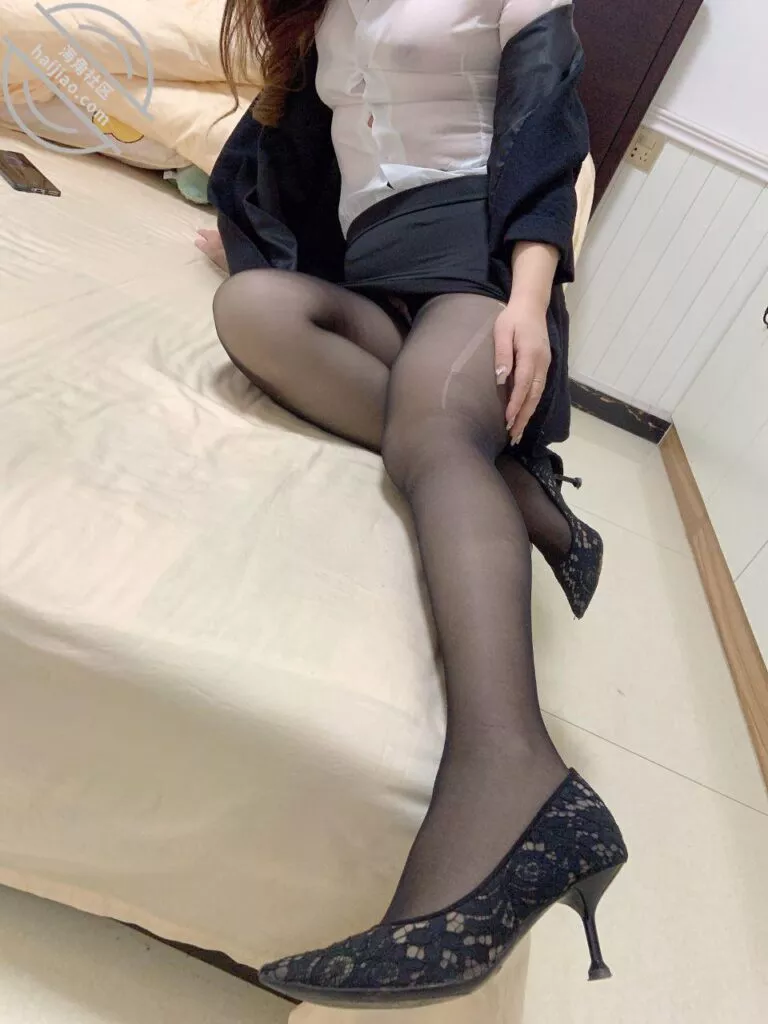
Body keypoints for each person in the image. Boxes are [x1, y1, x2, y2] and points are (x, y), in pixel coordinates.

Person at [208, 0, 627, 1009]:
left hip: (476, 257)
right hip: (373, 270)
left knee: (434, 434)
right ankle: (524, 497)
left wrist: (529, 298)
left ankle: (514, 770)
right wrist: (245, 227)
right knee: (251, 306)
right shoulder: (323, 13)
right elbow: (280, 156)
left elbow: (548, 118)